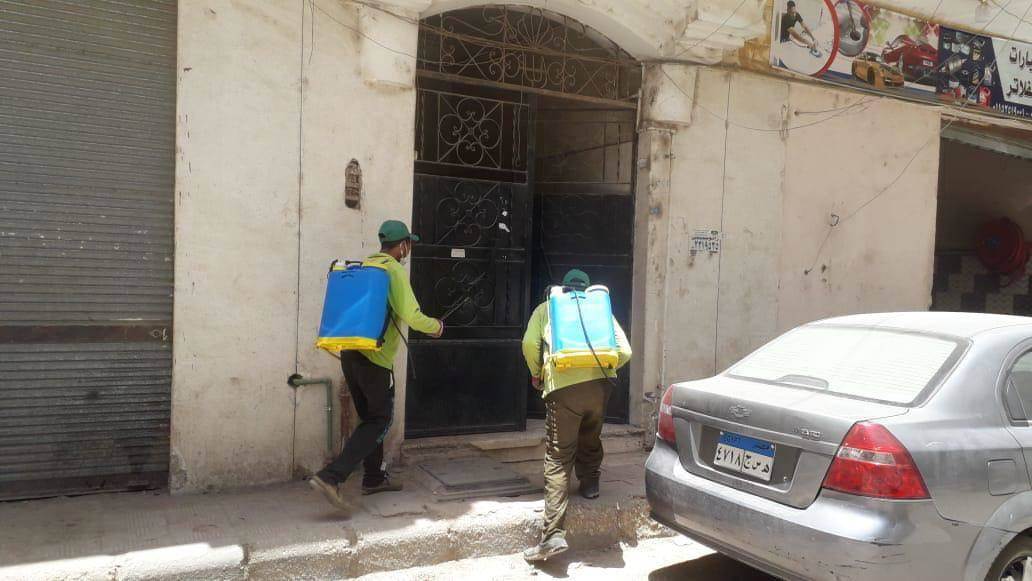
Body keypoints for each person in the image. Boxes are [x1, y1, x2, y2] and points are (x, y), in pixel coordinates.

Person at [309, 220, 443, 511]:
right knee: (379, 419)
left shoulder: (366, 266)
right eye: (409, 244)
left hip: (350, 353)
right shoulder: (393, 270)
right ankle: (331, 477)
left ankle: (374, 477)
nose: (409, 249)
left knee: (369, 418)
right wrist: (436, 327)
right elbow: (411, 314)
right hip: (375, 359)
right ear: (403, 245)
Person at [520, 269, 632, 562]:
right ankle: (590, 483)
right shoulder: (600, 310)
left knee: (558, 456)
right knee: (591, 432)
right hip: (600, 386)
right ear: (586, 289)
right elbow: (625, 351)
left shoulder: (547, 308)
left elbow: (529, 344)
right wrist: (605, 368)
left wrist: (537, 372)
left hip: (563, 386)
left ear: (563, 288)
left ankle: (553, 535)